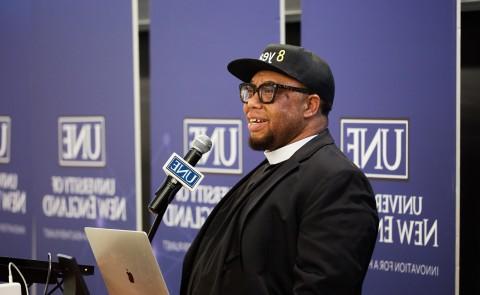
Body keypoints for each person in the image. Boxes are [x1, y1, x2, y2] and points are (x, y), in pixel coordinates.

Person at [180, 43, 378, 295]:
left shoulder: (338, 181)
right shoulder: (270, 168)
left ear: (310, 106)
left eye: (268, 91)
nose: (250, 103)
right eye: (250, 90)